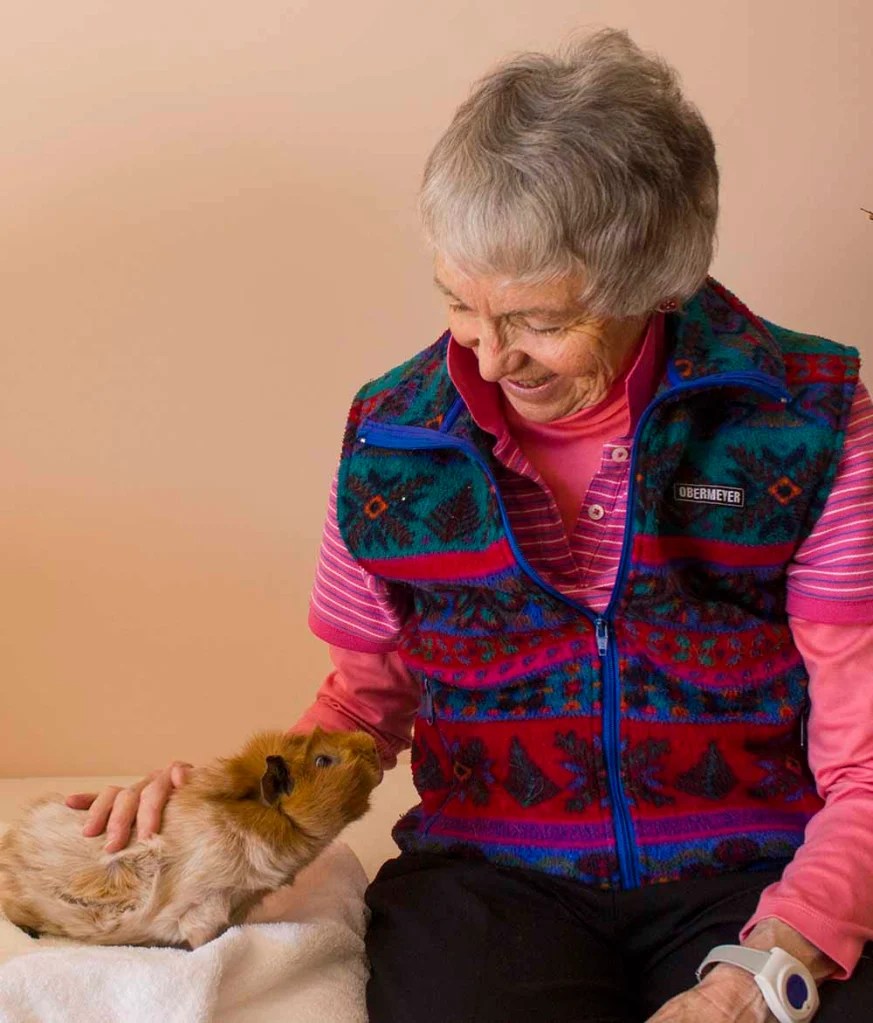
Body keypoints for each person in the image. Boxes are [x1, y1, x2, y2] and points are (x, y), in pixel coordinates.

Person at [69, 29, 873, 1023]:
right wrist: (222, 811)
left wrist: (771, 967)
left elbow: (866, 758)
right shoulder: (391, 436)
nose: (490, 362)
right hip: (492, 879)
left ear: (655, 283)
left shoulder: (808, 419)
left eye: (539, 320)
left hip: (760, 865)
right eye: (460, 303)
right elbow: (364, 708)